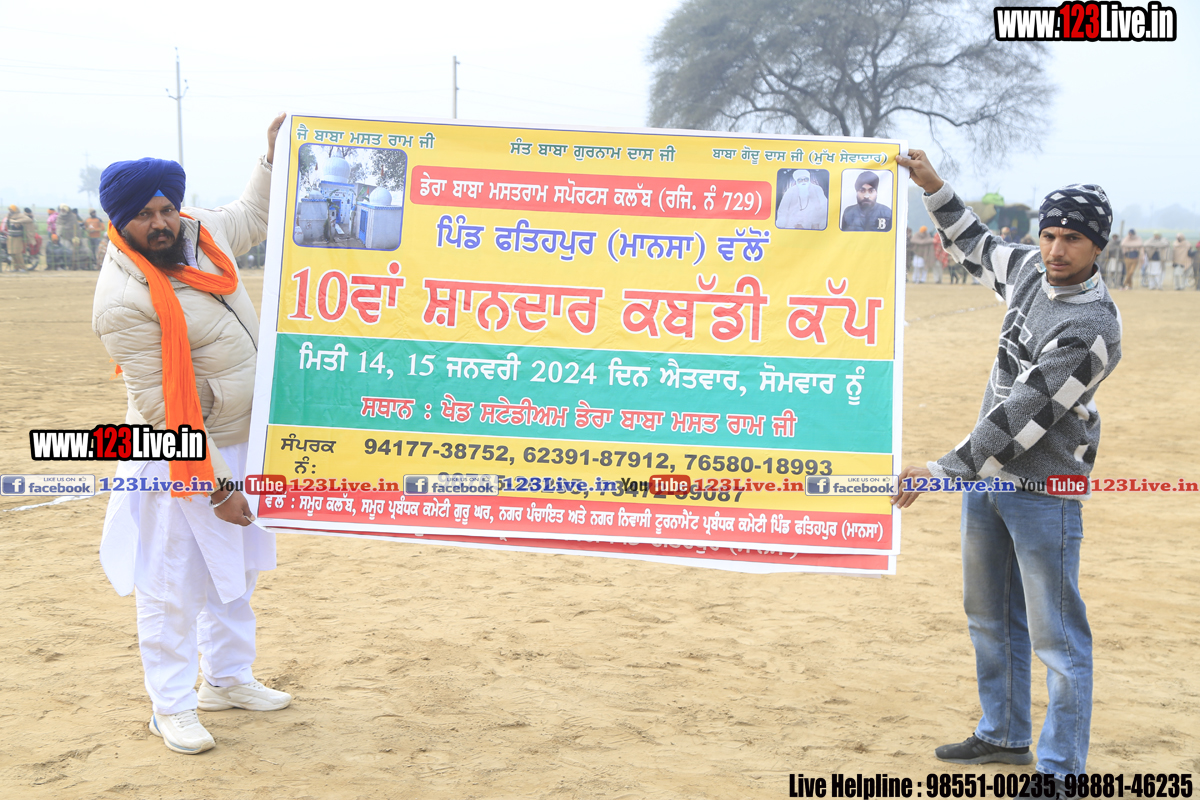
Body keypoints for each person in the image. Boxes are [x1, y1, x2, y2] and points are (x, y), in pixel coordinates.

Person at [895, 149, 1122, 779]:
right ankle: (1002, 733)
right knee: (988, 617)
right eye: (1049, 235)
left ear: (1097, 246)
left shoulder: (1093, 327)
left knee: (1057, 637)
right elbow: (976, 244)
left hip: (1042, 491)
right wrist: (934, 187)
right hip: (986, 484)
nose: (1056, 249)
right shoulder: (1028, 269)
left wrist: (943, 470)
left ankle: (1061, 772)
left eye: (1072, 238)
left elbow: (1024, 416)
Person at [92, 113, 290, 755]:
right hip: (178, 455)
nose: (161, 224)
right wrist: (217, 488)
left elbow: (253, 215)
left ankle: (227, 680)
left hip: (239, 433)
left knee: (236, 570)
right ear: (118, 223)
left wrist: (269, 158)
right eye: (144, 215)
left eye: (166, 209)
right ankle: (170, 707)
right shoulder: (122, 301)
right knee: (173, 581)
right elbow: (163, 412)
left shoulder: (202, 233)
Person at [4, 204, 35, 272]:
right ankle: (16, 267)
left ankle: (23, 268)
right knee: (12, 253)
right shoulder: (9, 216)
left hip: (18, 237)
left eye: (11, 209)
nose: (10, 210)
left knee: (17, 253)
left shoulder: (20, 215)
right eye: (9, 209)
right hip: (10, 237)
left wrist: (17, 221)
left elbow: (29, 219)